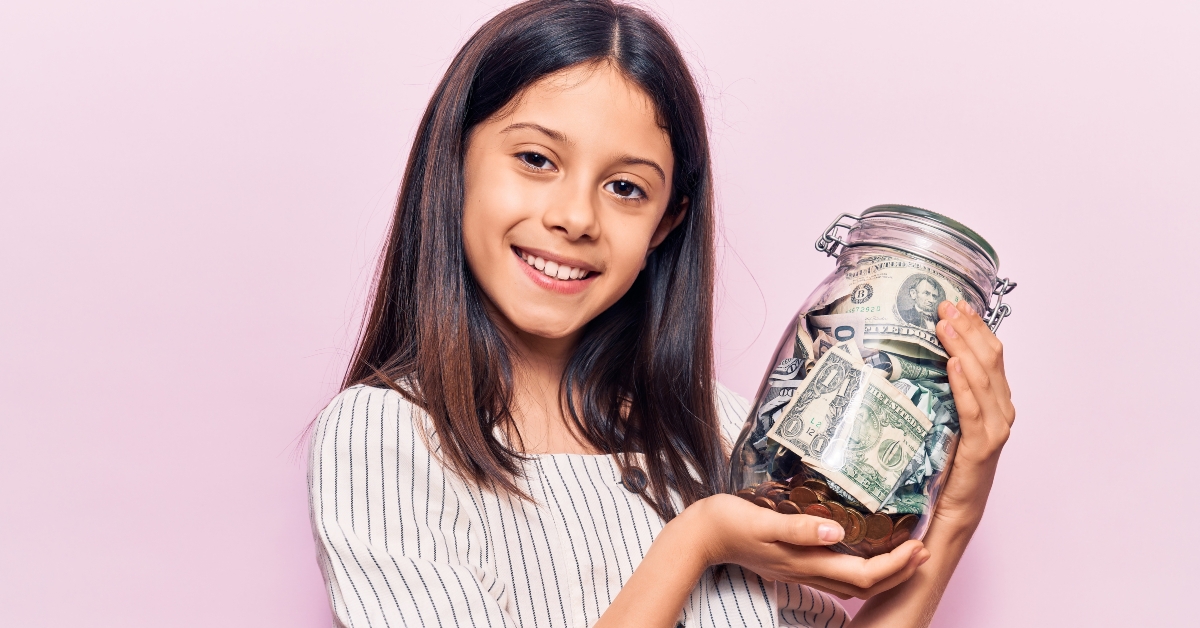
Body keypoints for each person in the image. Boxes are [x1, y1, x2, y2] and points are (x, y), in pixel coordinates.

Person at [307, 2, 1016, 627]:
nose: (575, 217)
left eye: (625, 187)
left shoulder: (731, 433)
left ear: (667, 223)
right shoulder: (382, 440)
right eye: (535, 158)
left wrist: (954, 514)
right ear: (455, 161)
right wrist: (693, 542)